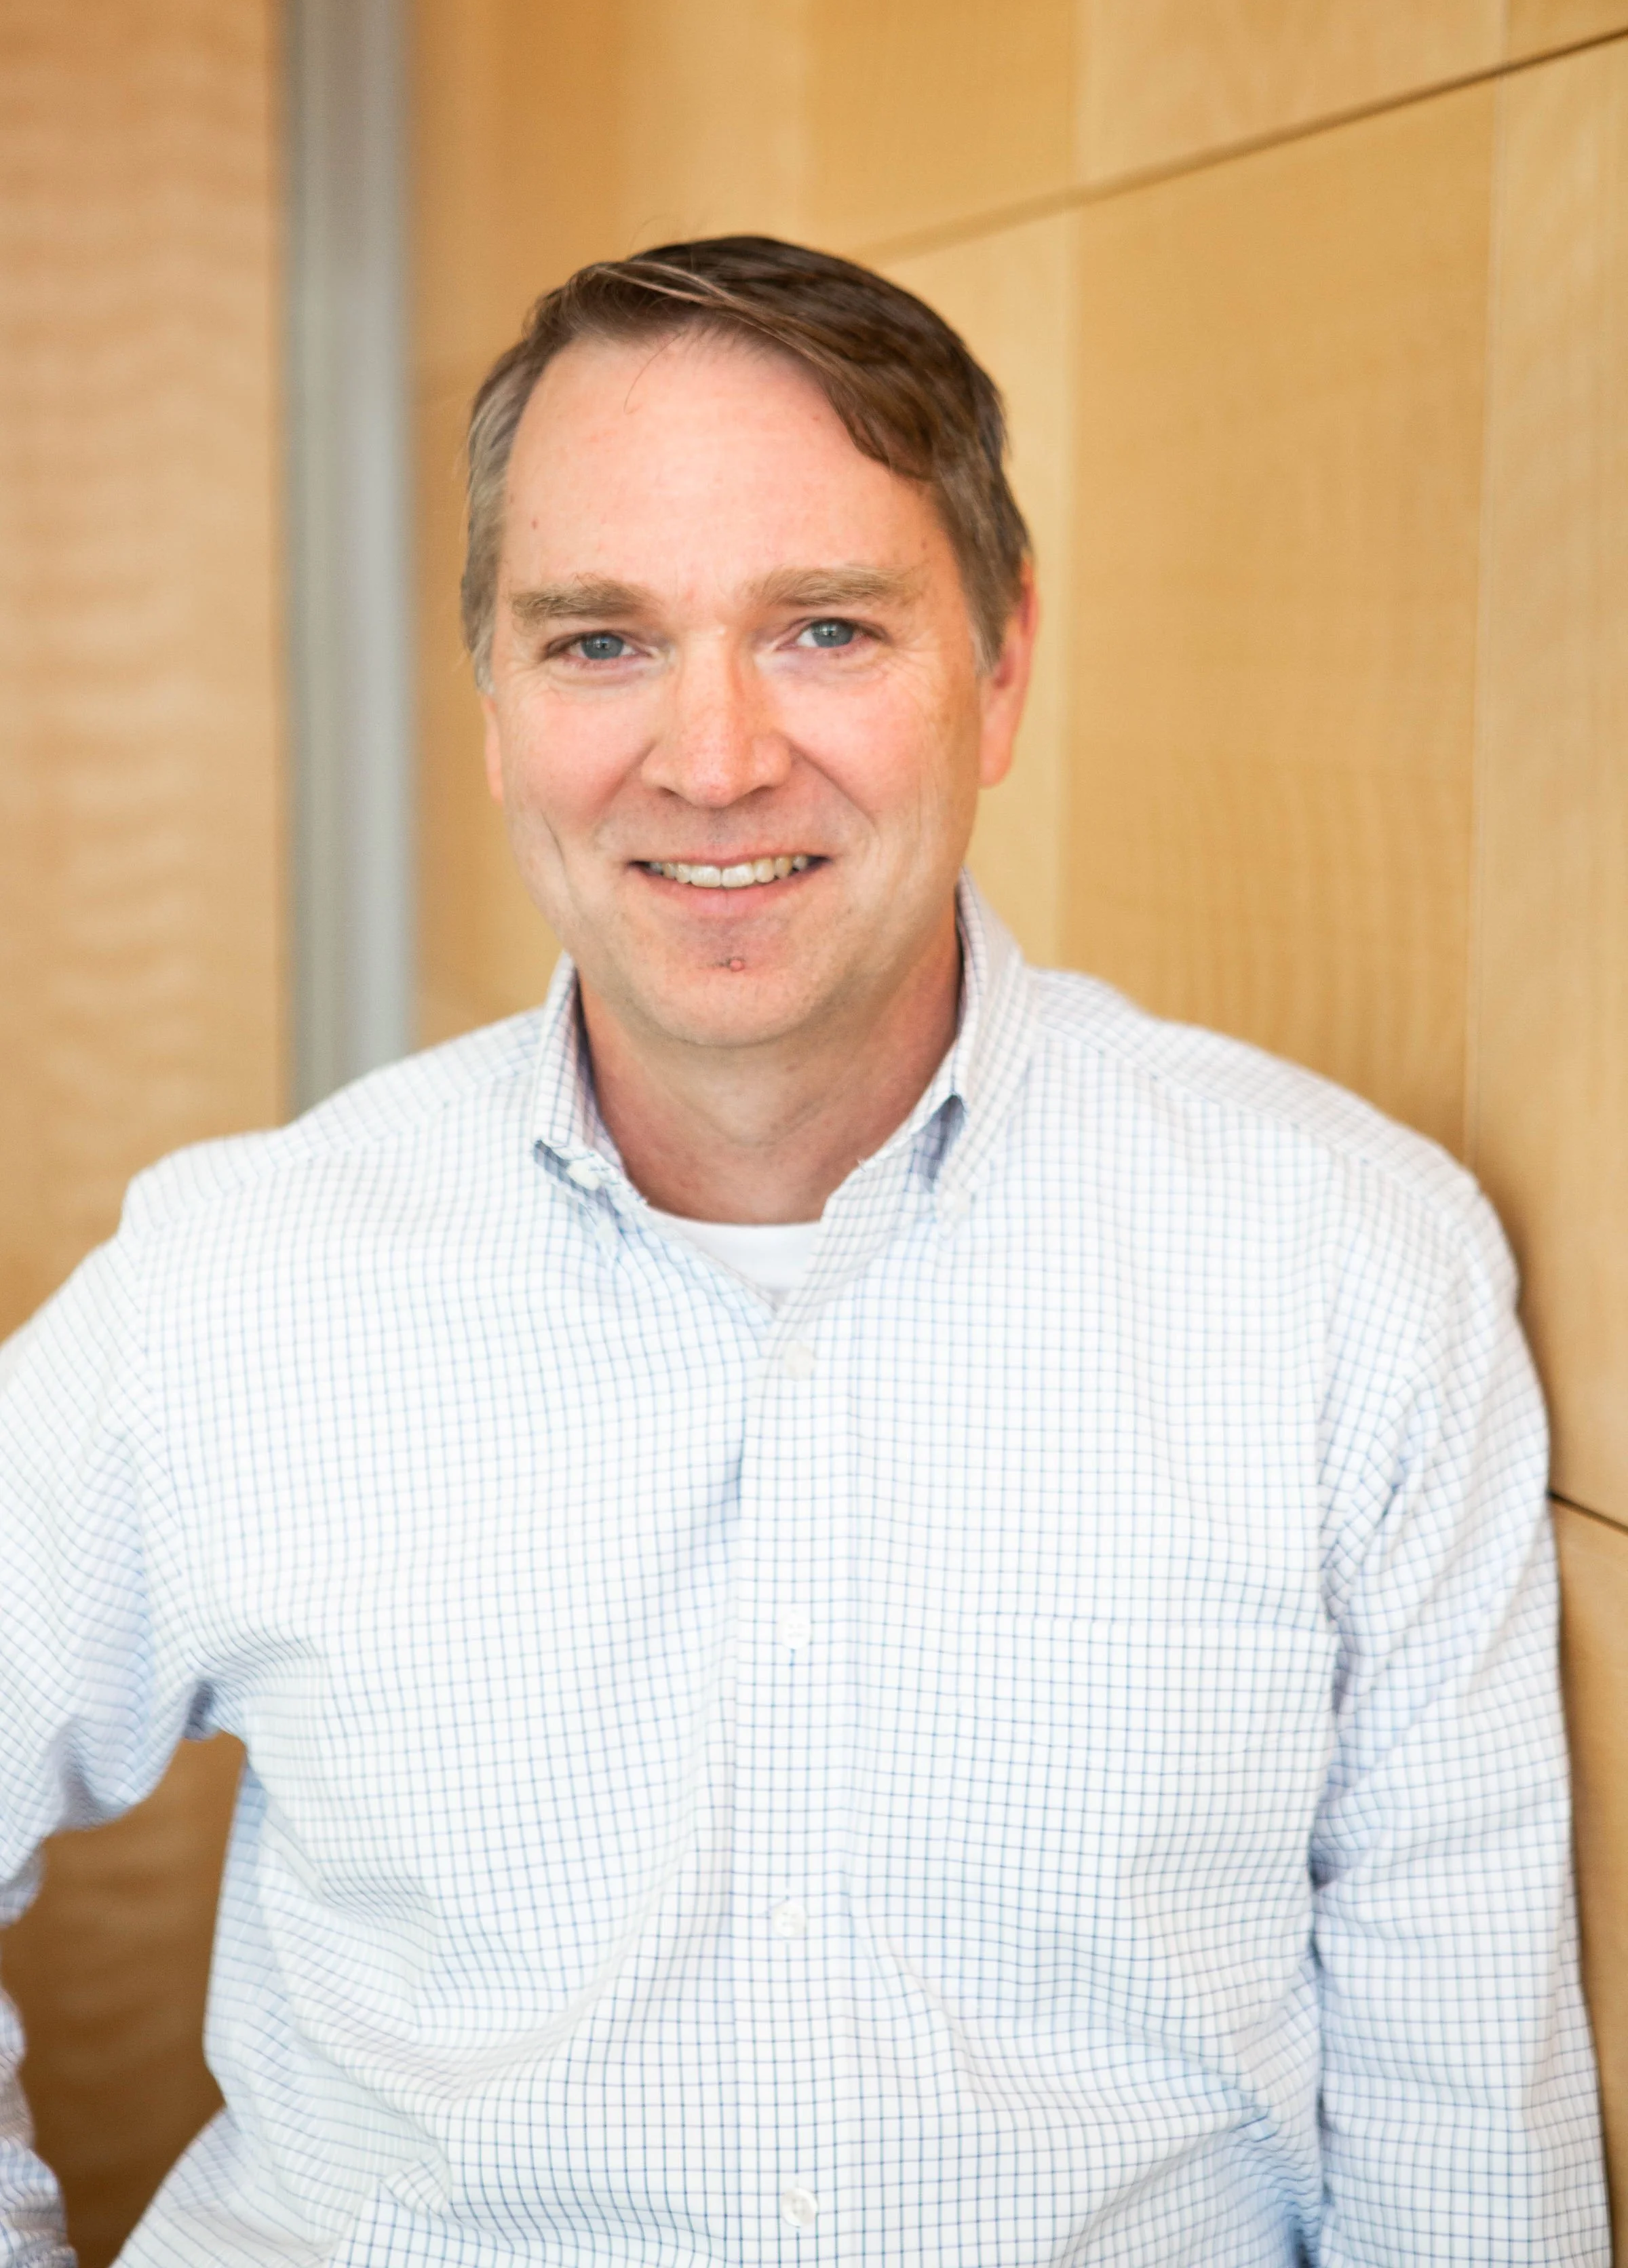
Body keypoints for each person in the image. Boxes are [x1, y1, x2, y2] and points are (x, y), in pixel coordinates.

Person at [0, 235, 1607, 2266]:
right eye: (601, 641)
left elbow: (1469, 2159)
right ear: (493, 703)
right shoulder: (230, 1286)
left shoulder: (1356, 1279)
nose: (714, 757)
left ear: (1001, 667)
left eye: (826, 629)